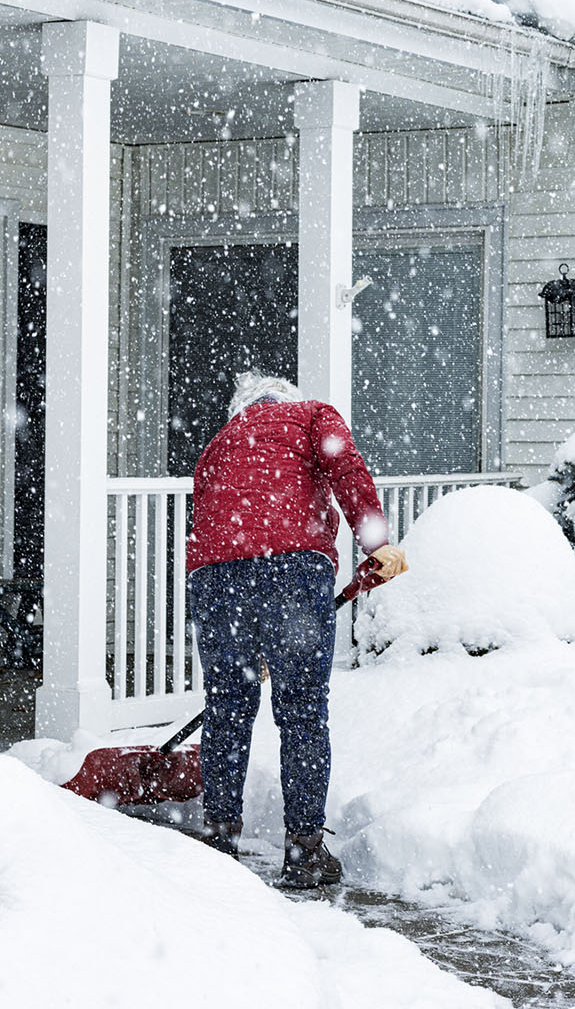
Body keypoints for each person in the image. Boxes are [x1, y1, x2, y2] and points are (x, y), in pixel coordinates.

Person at [186, 370, 408, 887]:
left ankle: (219, 837)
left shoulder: (220, 442)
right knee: (303, 710)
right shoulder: (311, 415)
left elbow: (208, 520)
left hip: (216, 580)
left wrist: (239, 611)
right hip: (292, 571)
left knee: (228, 708)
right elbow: (348, 470)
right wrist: (376, 545)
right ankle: (304, 850)